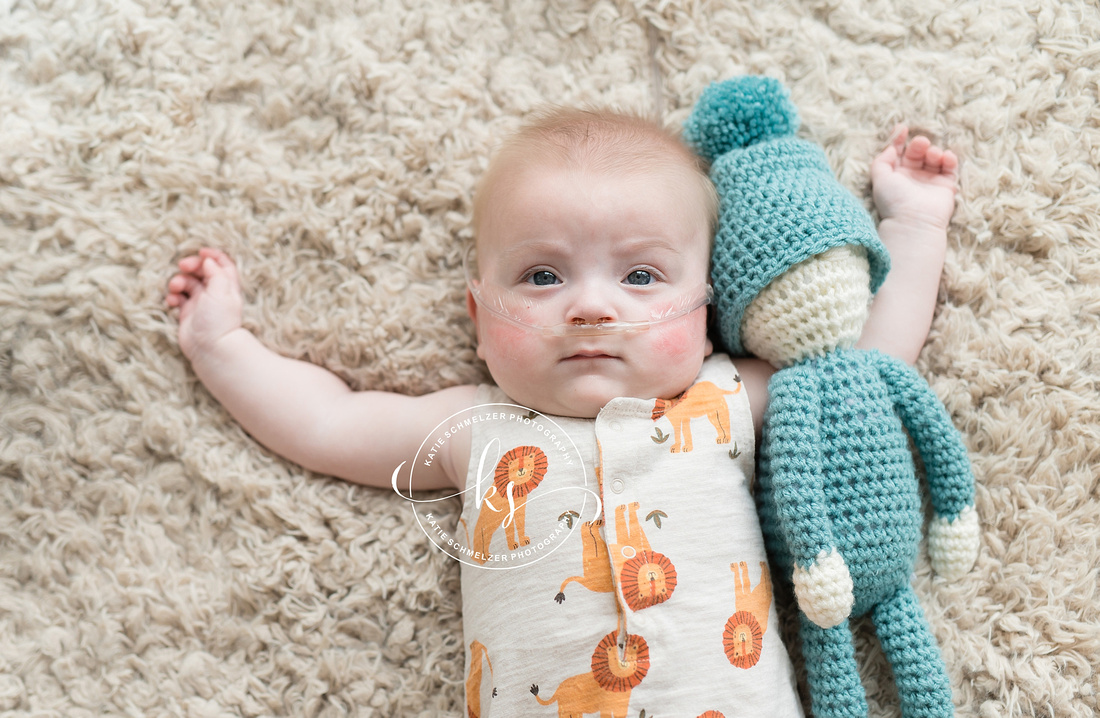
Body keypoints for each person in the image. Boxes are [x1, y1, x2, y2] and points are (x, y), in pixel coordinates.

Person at [167, 104, 958, 716]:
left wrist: (914, 225)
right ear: (479, 319)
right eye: (543, 277)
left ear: (705, 309)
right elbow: (328, 423)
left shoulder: (722, 401)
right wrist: (223, 345)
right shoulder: (472, 431)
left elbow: (866, 370)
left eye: (641, 277)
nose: (589, 307)